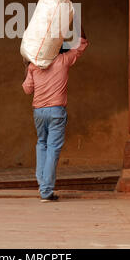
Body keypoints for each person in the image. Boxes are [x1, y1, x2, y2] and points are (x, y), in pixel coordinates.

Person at [22, 26, 89, 202]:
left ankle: (42, 183)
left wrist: (27, 67)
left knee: (41, 144)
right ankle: (46, 190)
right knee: (52, 148)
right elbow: (82, 44)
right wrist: (78, 25)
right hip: (56, 111)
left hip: (38, 111)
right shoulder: (63, 60)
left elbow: (27, 89)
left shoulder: (34, 65)